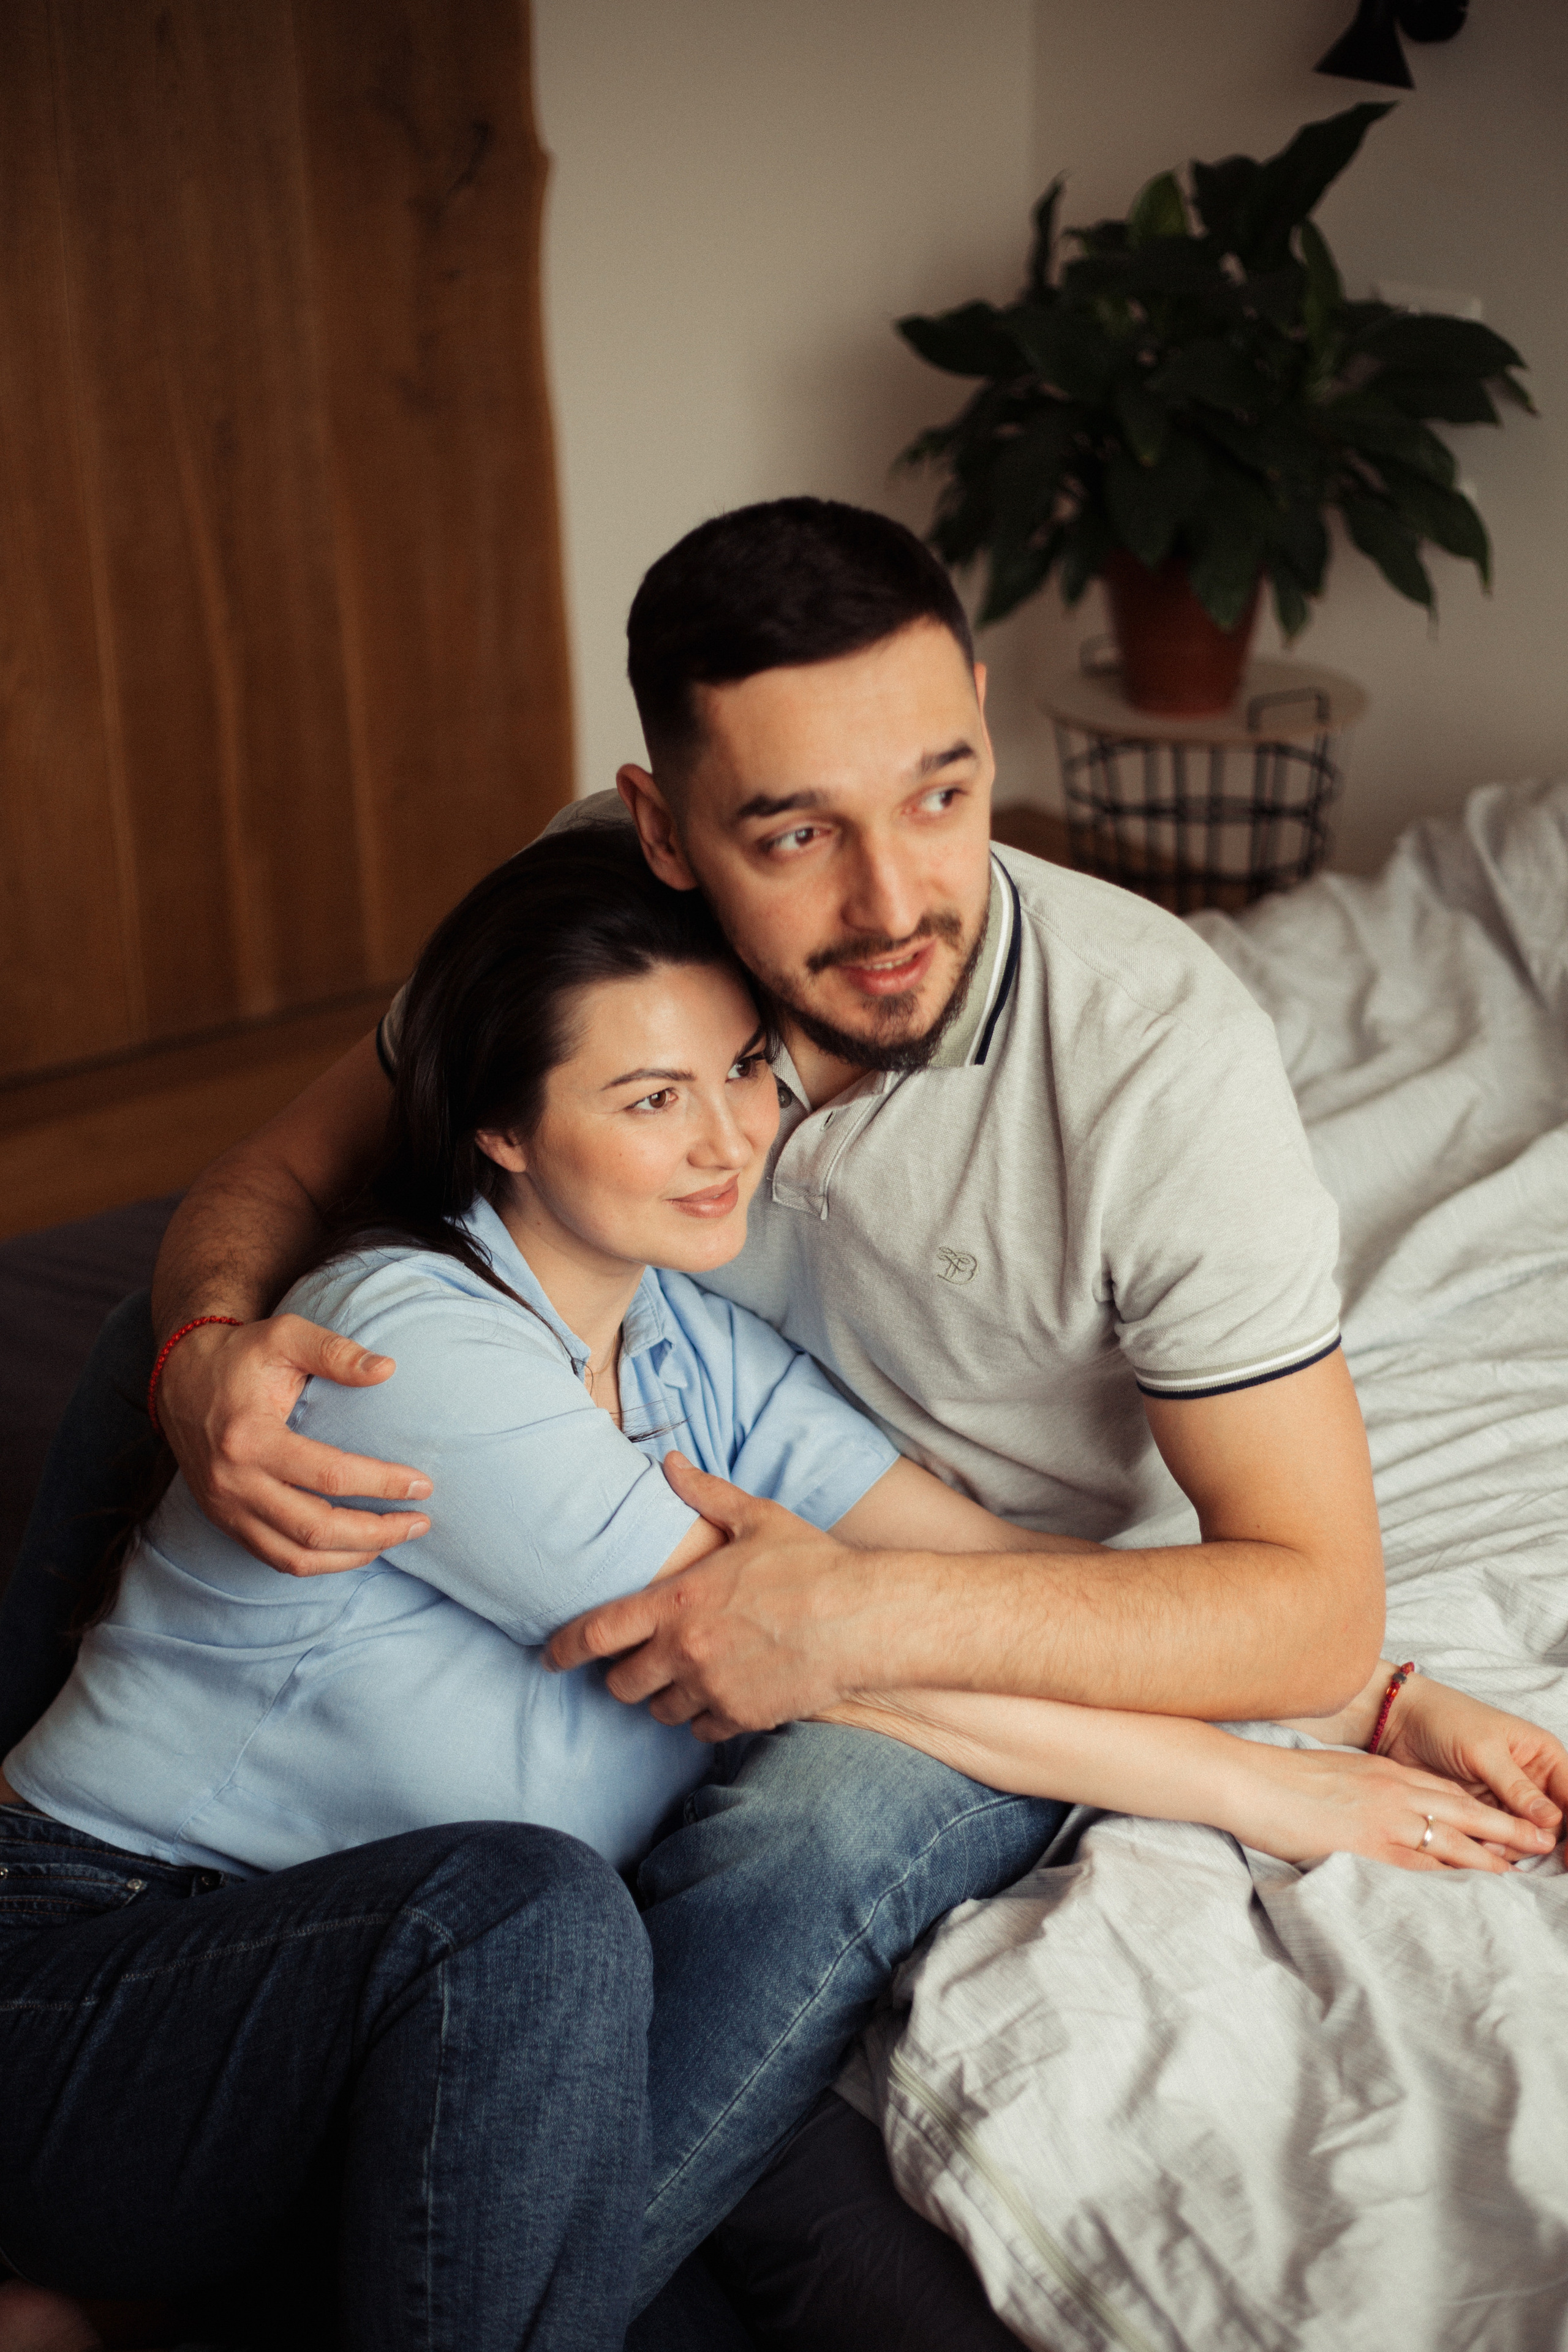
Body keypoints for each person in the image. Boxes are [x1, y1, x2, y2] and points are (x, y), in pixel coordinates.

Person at [4, 500, 1566, 2331]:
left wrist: (1353, 1710)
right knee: (169, 1389)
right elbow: (283, 1183)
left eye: (939, 790)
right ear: (667, 832)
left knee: (741, 1853)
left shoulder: (1044, 1128)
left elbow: (1185, 1587)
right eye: (793, 833)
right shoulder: (570, 982)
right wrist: (206, 1342)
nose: (893, 899)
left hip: (937, 1573)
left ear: (984, 726)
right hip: (233, 1868)